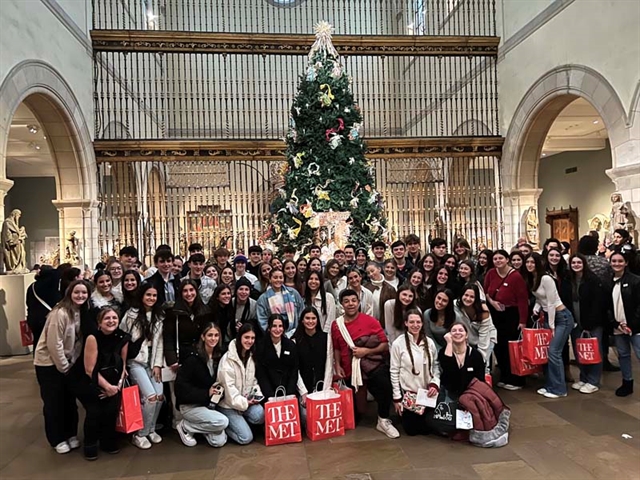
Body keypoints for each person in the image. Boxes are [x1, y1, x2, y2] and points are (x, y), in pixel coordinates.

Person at [332, 289, 399, 439]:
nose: (350, 304)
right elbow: (336, 347)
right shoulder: (336, 325)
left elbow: (384, 345)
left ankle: (383, 419)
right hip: (350, 369)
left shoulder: (370, 321)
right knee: (356, 415)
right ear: (342, 304)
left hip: (371, 365)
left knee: (385, 385)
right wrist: (337, 366)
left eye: (353, 301)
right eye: (346, 301)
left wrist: (366, 351)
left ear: (359, 302)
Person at [33, 279, 90, 454]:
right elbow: (54, 343)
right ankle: (57, 438)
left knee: (69, 401)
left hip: (68, 363)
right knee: (54, 402)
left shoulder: (82, 311)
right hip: (49, 363)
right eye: (77, 292)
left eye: (84, 292)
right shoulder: (60, 313)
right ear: (69, 294)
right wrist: (64, 367)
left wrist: (71, 365)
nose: (80, 296)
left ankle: (70, 433)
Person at [77, 307, 130, 460]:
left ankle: (108, 441)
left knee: (111, 411)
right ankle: (90, 443)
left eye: (114, 318)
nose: (111, 321)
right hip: (92, 379)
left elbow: (123, 363)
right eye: (107, 318)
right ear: (99, 322)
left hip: (114, 379)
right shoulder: (93, 338)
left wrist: (118, 385)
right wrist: (107, 387)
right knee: (94, 412)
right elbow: (89, 369)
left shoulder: (123, 337)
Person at [120, 284, 165, 449]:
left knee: (160, 396)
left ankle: (151, 429)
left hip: (152, 362)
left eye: (154, 295)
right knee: (150, 397)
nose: (151, 298)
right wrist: (123, 364)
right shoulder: (131, 315)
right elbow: (122, 340)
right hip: (136, 362)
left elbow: (159, 343)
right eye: (148, 295)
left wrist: (158, 364)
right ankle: (140, 434)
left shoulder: (159, 316)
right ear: (141, 295)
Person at [526, 252, 574, 399]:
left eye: (532, 262)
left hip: (561, 317)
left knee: (554, 352)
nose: (529, 265)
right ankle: (550, 385)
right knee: (547, 353)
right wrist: (536, 308)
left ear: (538, 263)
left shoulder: (546, 278)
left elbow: (552, 302)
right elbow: (541, 299)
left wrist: (551, 325)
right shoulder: (533, 278)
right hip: (548, 316)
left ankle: (559, 389)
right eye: (527, 262)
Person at [174, 323, 229, 448]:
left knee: (218, 442)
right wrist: (206, 393)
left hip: (209, 405)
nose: (213, 338)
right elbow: (180, 388)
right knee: (223, 421)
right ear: (203, 337)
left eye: (216, 335)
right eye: (210, 335)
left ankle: (200, 429)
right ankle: (185, 426)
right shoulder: (192, 359)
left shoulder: (219, 357)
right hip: (190, 406)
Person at [484, 249, 529, 391]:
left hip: (511, 315)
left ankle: (516, 379)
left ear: (507, 259)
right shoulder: (491, 273)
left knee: (512, 348)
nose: (498, 261)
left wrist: (522, 321)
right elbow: (485, 292)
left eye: (501, 258)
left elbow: (522, 300)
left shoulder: (516, 277)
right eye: (495, 258)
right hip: (495, 314)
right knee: (499, 346)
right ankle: (504, 375)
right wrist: (492, 303)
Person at [390, 309, 440, 436]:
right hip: (409, 395)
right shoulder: (398, 344)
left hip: (427, 395)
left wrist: (434, 384)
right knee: (412, 431)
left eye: (418, 322)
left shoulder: (429, 343)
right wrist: (397, 398)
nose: (415, 325)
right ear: (406, 323)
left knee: (429, 428)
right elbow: (394, 371)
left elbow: (435, 367)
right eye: (411, 322)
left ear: (422, 323)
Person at [217, 323, 265, 445]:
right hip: (228, 406)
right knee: (246, 438)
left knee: (261, 415)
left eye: (252, 338)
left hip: (245, 401)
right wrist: (245, 402)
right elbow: (229, 391)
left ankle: (241, 422)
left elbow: (253, 380)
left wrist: (256, 395)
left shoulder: (250, 356)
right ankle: (224, 427)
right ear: (240, 337)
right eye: (246, 337)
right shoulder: (227, 360)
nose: (250, 341)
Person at [565, 254, 606, 394]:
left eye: (579, 262)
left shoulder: (593, 280)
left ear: (584, 264)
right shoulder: (568, 280)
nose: (576, 265)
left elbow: (598, 303)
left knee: (594, 350)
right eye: (573, 262)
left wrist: (591, 322)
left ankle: (593, 381)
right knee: (579, 351)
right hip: (576, 323)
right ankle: (584, 377)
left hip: (592, 323)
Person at [608, 250, 640, 397]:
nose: (617, 264)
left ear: (626, 263)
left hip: (635, 327)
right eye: (614, 261)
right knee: (623, 355)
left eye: (620, 261)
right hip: (618, 326)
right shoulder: (608, 281)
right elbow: (606, 306)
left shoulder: (635, 280)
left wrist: (631, 324)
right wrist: (615, 323)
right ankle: (627, 382)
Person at [293, 307, 334, 407]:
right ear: (302, 320)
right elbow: (294, 369)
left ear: (317, 320)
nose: (310, 321)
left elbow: (329, 365)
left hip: (323, 386)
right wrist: (303, 392)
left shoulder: (326, 338)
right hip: (304, 388)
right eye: (307, 318)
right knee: (305, 416)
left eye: (313, 318)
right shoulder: (295, 340)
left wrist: (326, 389)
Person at [255, 315, 299, 403]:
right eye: (274, 326)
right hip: (269, 395)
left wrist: (290, 394)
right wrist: (270, 396)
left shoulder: (290, 345)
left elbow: (294, 371)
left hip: (288, 392)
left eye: (280, 326)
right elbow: (261, 374)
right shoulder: (260, 346)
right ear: (269, 328)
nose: (277, 329)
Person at [454, 284, 497, 372]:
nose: (468, 299)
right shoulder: (455, 305)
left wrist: (480, 360)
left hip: (486, 338)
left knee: (483, 364)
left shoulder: (483, 312)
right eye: (466, 295)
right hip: (468, 338)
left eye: (472, 297)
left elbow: (484, 341)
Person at [438, 322, 485, 398]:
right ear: (449, 334)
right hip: (449, 394)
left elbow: (480, 379)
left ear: (466, 335)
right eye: (454, 331)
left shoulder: (475, 354)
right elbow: (448, 371)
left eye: (461, 330)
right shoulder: (444, 352)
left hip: (471, 395)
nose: (457, 333)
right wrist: (449, 343)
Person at [256, 268, 305, 337]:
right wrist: (273, 333)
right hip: (273, 335)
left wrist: (297, 331)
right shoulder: (263, 299)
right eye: (275, 278)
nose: (278, 280)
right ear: (270, 279)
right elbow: (262, 320)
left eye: (281, 277)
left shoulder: (293, 293)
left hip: (295, 333)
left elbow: (301, 311)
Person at [26, 265, 61, 350]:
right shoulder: (51, 286)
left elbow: (28, 302)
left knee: (37, 342)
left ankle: (36, 360)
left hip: (33, 318)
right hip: (47, 317)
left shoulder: (32, 286)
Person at [364, 261, 396, 326]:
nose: (371, 274)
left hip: (385, 325)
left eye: (372, 271)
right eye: (368, 273)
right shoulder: (365, 287)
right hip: (368, 323)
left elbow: (394, 309)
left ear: (379, 269)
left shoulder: (390, 289)